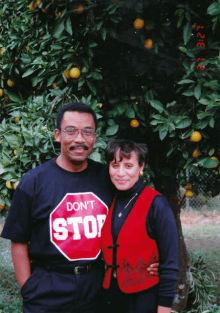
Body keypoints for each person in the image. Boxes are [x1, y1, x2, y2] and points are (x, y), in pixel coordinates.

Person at [1, 103, 159, 313]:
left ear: (94, 137)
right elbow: (19, 240)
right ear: (57, 135)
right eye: (71, 131)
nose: (79, 139)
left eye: (87, 132)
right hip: (48, 288)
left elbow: (135, 220)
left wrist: (153, 259)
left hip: (98, 287)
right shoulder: (33, 182)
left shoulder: (108, 178)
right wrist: (28, 289)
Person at [101, 140, 179, 313]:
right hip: (109, 298)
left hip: (144, 299)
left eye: (128, 166)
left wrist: (164, 309)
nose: (121, 173)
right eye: (115, 165)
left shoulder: (157, 204)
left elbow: (170, 264)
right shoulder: (107, 201)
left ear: (141, 167)